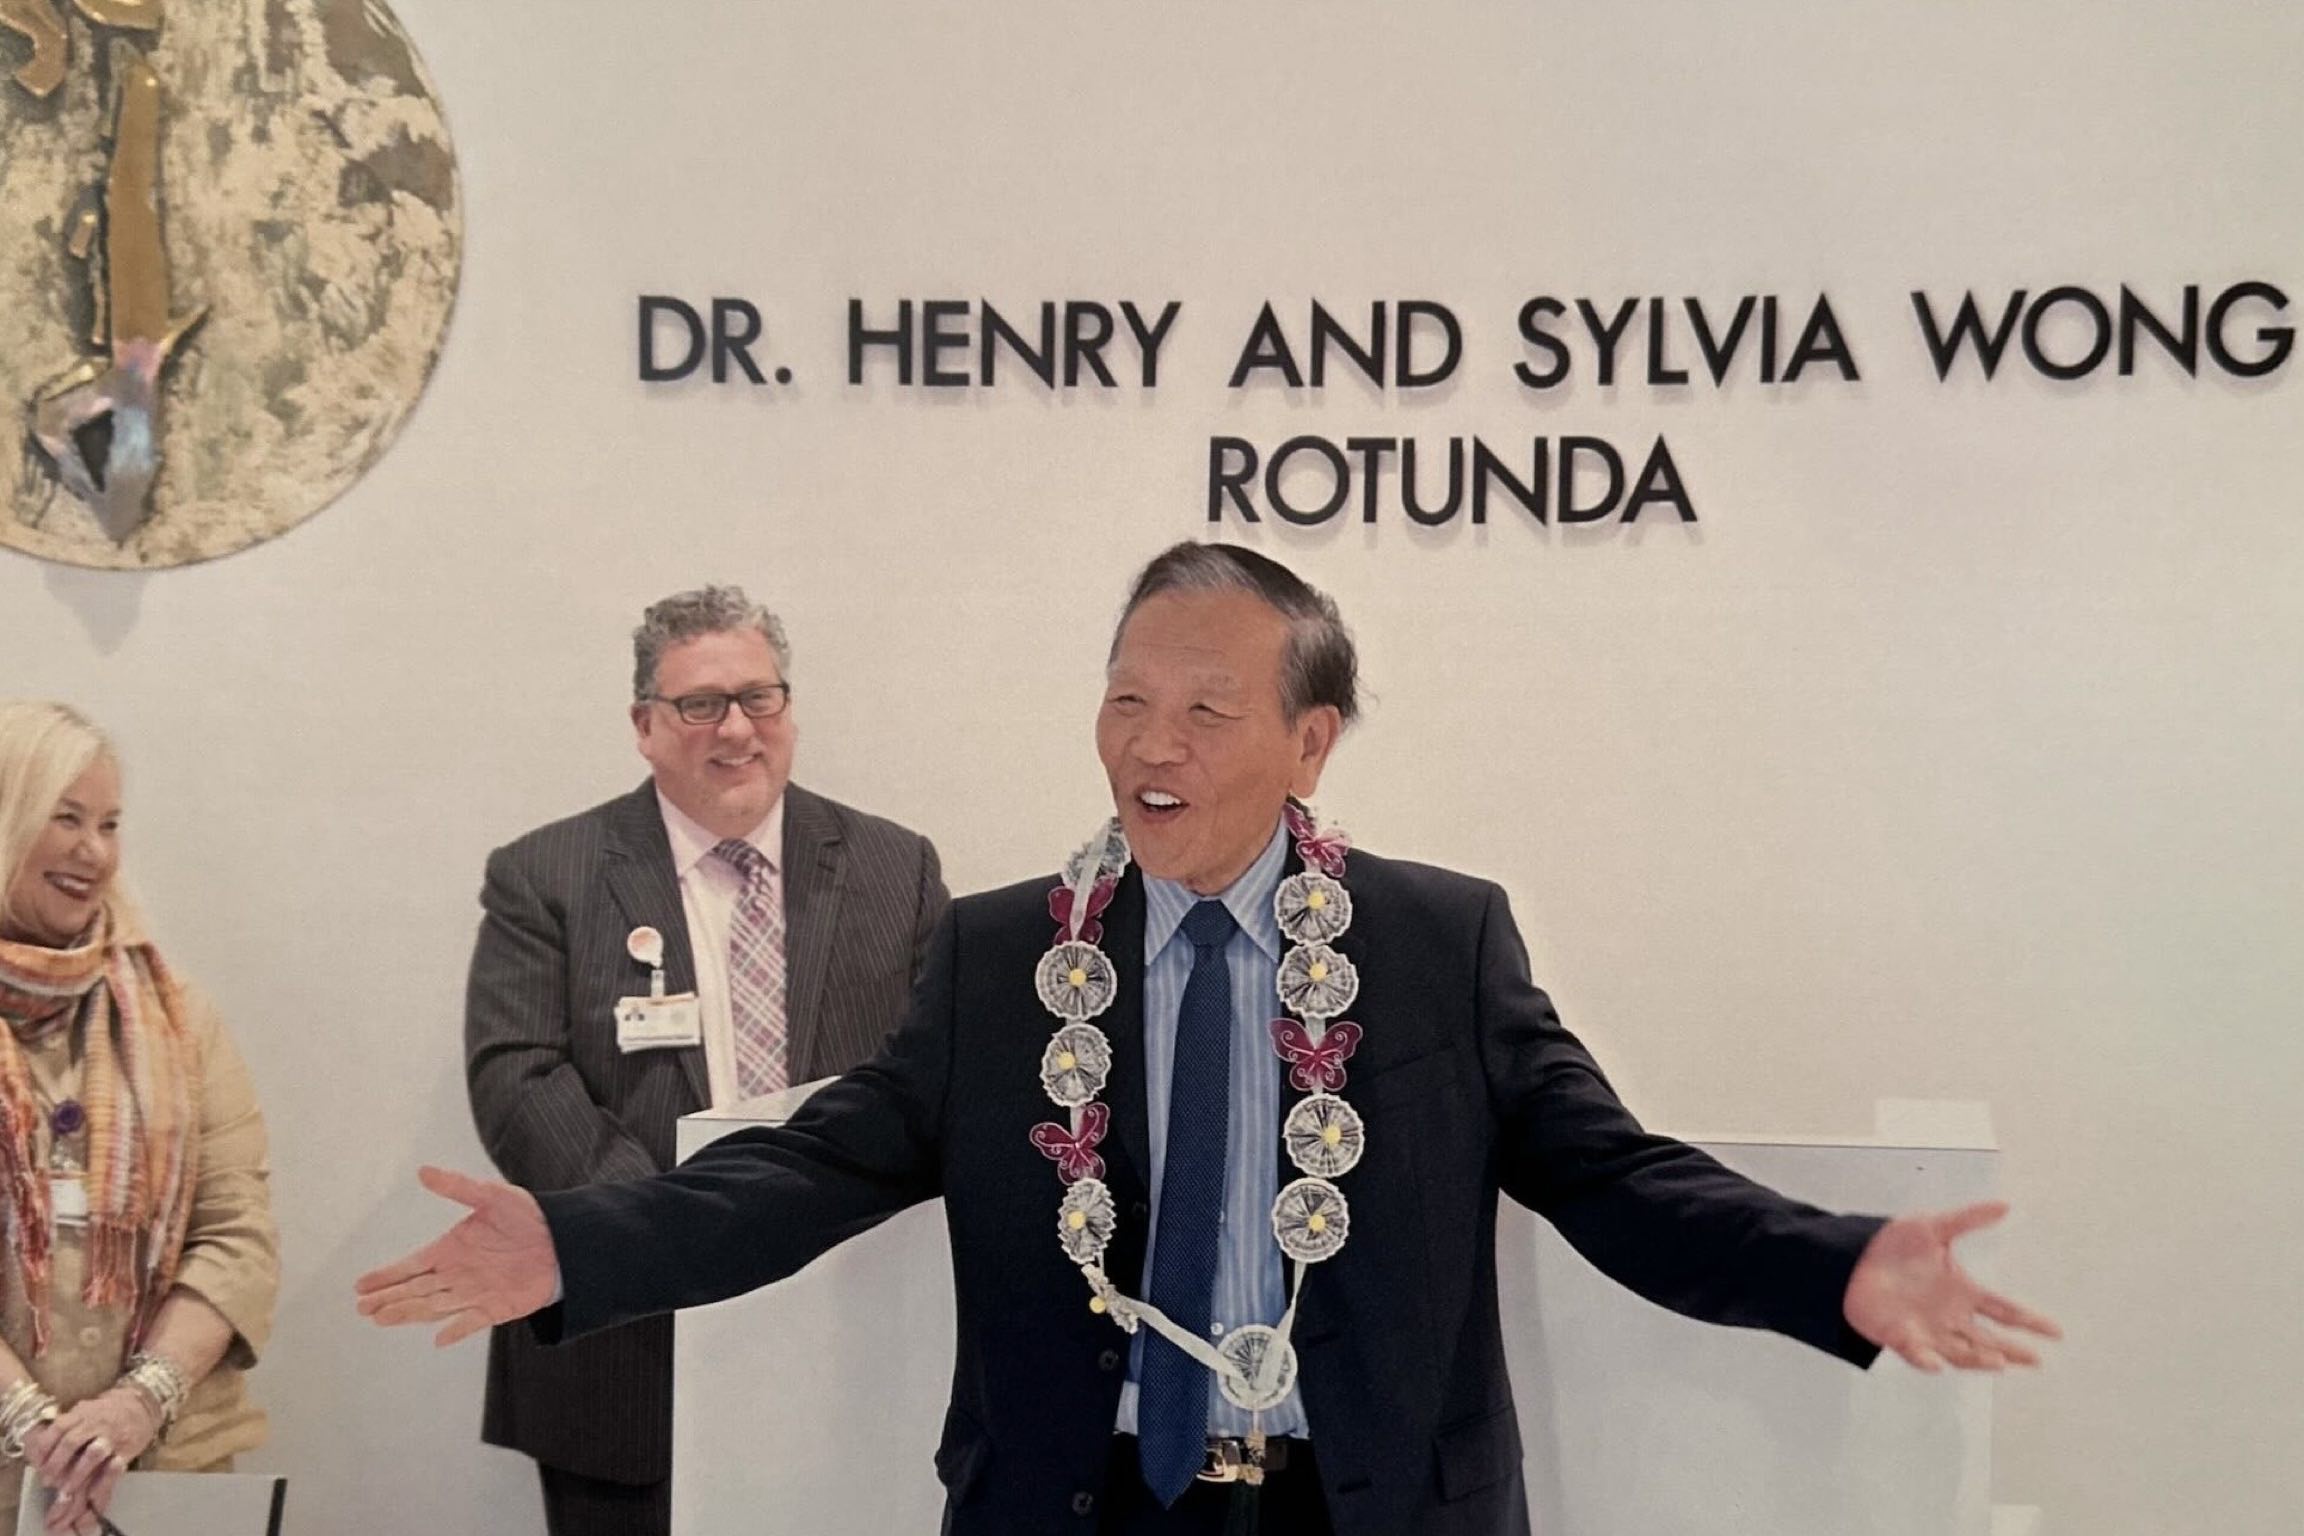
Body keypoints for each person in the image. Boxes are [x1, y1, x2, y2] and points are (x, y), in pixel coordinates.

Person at [363, 546, 2059, 1536]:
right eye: (1123, 697)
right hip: (1078, 1500)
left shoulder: (1432, 941)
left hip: (1362, 1502)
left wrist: (1826, 1267)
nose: (1148, 745)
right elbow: (813, 1163)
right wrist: (575, 1245)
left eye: (1204, 709)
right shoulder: (1003, 952)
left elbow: (1609, 1177)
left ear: (1308, 742)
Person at [461, 584, 948, 1536]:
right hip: (624, 1350)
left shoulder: (899, 871)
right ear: (644, 725)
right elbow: (517, 1078)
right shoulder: (547, 875)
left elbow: (933, 1082)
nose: (736, 731)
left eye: (758, 699)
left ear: (789, 710)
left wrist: (784, 1224)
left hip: (844, 1330)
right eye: (699, 706)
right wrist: (675, 1236)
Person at [0, 702, 278, 1536]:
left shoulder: (179, 1017)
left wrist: (134, 1407)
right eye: (69, 817)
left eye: (111, 823)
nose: (95, 850)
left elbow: (237, 1236)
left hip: (160, 1467)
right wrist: (31, 1426)